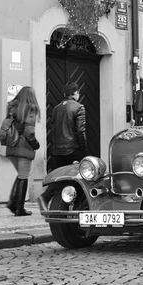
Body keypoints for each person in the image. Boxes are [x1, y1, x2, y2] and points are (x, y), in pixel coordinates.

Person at [37, 82, 86, 211]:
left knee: (59, 178)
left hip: (57, 150)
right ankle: (72, 205)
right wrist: (83, 149)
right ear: (75, 93)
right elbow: (81, 130)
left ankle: (46, 198)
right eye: (78, 92)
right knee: (78, 177)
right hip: (72, 149)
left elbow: (52, 130)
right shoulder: (79, 107)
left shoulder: (57, 108)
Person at [5, 86, 41, 216]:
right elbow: (29, 132)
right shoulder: (31, 108)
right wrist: (36, 144)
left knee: (21, 175)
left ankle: (12, 203)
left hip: (11, 147)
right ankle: (19, 208)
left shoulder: (11, 107)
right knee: (23, 176)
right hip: (24, 148)